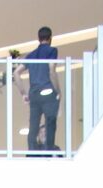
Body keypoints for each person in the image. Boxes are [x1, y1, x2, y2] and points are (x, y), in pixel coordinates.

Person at [22, 26, 60, 154]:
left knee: (33, 125)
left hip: (34, 93)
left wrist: (23, 93)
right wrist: (58, 90)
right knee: (50, 121)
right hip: (48, 90)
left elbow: (16, 72)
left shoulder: (31, 54)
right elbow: (51, 69)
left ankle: (32, 151)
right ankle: (49, 149)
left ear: (39, 39)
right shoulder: (52, 50)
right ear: (50, 38)